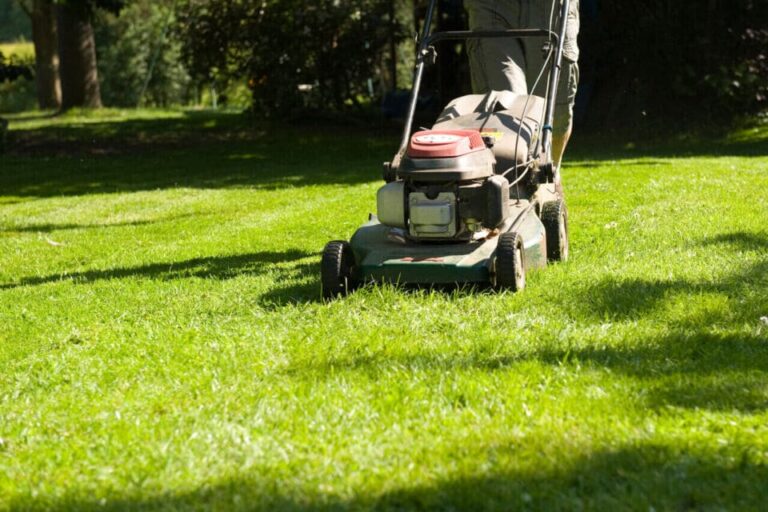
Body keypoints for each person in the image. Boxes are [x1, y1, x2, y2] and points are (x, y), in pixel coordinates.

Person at [464, 0, 580, 169]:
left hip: (551, 7)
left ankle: (549, 174)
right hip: (492, 6)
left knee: (555, 112)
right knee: (504, 105)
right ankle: (513, 178)